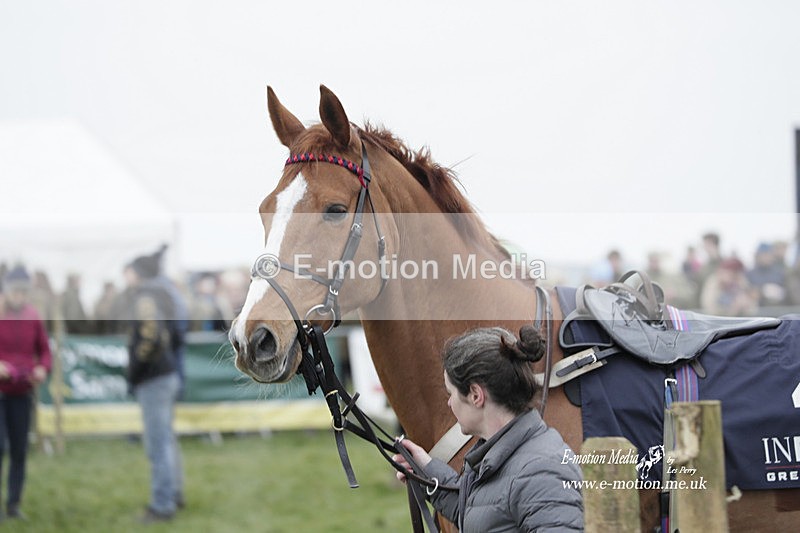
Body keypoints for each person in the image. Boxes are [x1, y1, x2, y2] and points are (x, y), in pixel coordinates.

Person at [393, 326, 584, 532]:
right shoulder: (503, 454)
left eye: (451, 393)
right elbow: (482, 515)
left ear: (476, 395)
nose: (449, 403)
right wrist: (427, 471)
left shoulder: (542, 474)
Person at [124, 246, 186, 523]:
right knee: (167, 441)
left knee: (157, 444)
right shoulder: (166, 294)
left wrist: (135, 369)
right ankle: (175, 493)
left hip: (154, 377)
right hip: (168, 372)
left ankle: (162, 505)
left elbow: (152, 337)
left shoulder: (146, 297)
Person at [0, 266, 52, 520]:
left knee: (20, 450)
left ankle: (13, 504)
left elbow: (44, 349)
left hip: (22, 392)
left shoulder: (33, 316)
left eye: (23, 291)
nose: (18, 295)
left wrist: (43, 367)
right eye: (14, 290)